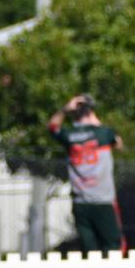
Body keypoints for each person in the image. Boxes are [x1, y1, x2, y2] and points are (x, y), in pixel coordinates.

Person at [48, 94, 126, 253]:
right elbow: (120, 145)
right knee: (114, 246)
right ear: (91, 112)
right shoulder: (104, 133)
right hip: (103, 201)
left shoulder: (69, 136)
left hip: (80, 203)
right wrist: (95, 120)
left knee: (89, 250)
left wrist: (65, 110)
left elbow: (52, 126)